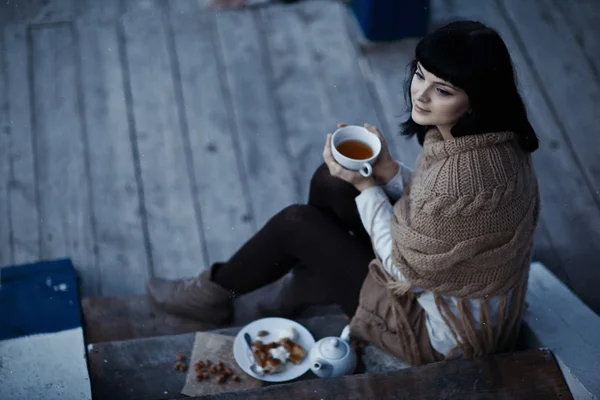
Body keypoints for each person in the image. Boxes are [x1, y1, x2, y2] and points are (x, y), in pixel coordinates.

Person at [147, 20, 540, 366]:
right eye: (420, 75)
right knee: (331, 180)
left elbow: (406, 270)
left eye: (442, 90)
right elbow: (440, 214)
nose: (419, 95)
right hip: (446, 290)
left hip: (434, 333)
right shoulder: (496, 142)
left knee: (296, 224)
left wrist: (369, 185)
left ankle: (212, 293)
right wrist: (385, 170)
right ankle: (308, 279)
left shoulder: (460, 174)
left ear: (476, 99)